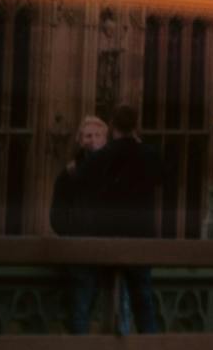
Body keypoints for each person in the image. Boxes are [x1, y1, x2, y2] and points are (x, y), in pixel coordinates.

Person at [51, 111, 163, 338]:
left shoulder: (112, 168)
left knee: (123, 309)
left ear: (107, 137)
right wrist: (73, 233)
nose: (92, 141)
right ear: (79, 140)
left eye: (97, 135)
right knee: (83, 307)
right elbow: (57, 214)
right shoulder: (70, 173)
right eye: (87, 136)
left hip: (114, 244)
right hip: (84, 246)